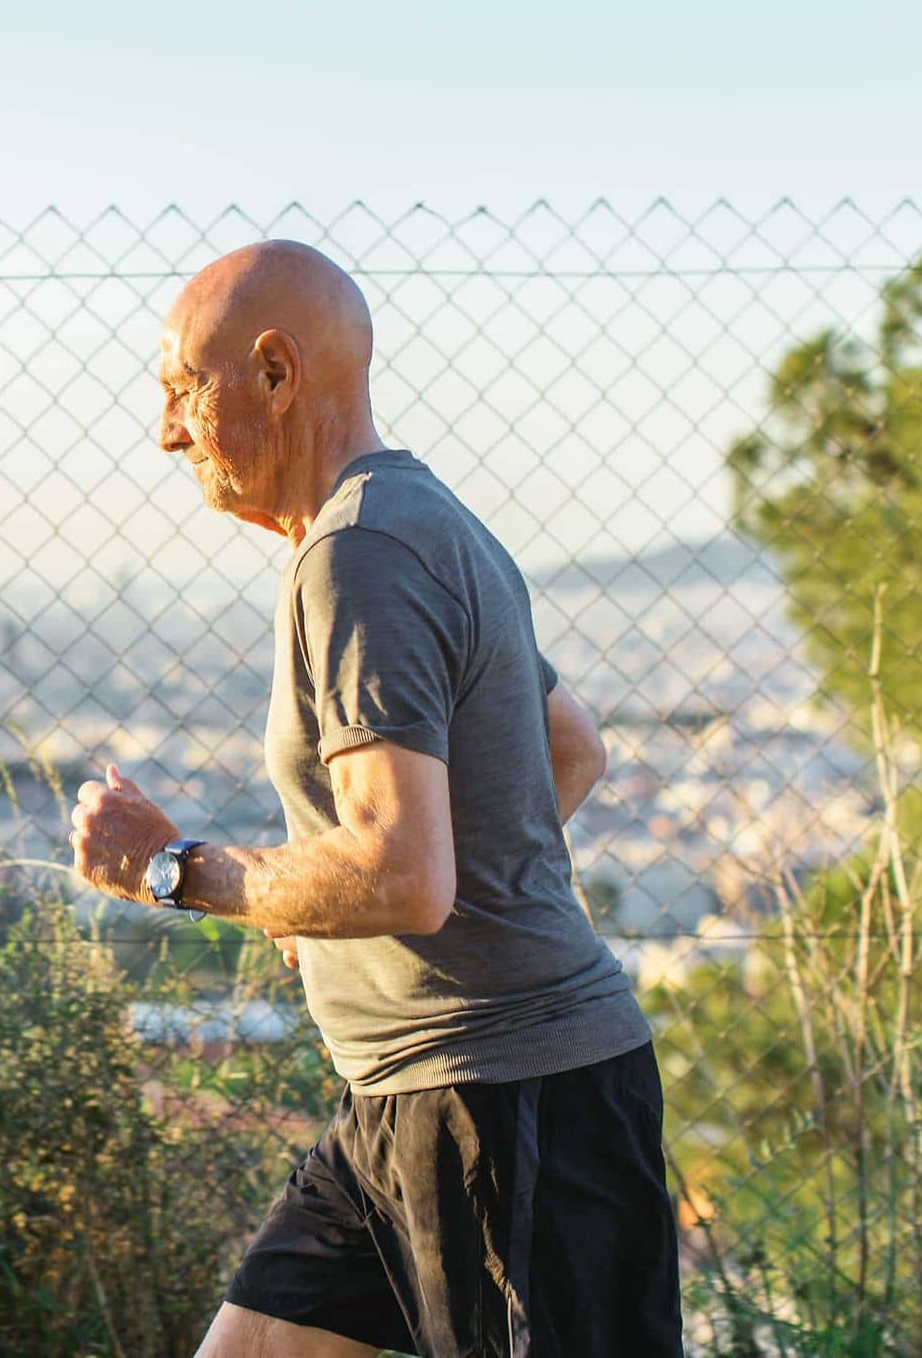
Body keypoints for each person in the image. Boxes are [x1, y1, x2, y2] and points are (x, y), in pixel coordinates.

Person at [65, 240, 682, 1356]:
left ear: (273, 371)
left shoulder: (356, 558)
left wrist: (170, 871)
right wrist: (328, 915)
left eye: (178, 393)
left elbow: (400, 871)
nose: (164, 435)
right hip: (410, 1101)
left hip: (505, 1101)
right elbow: (568, 749)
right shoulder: (419, 517)